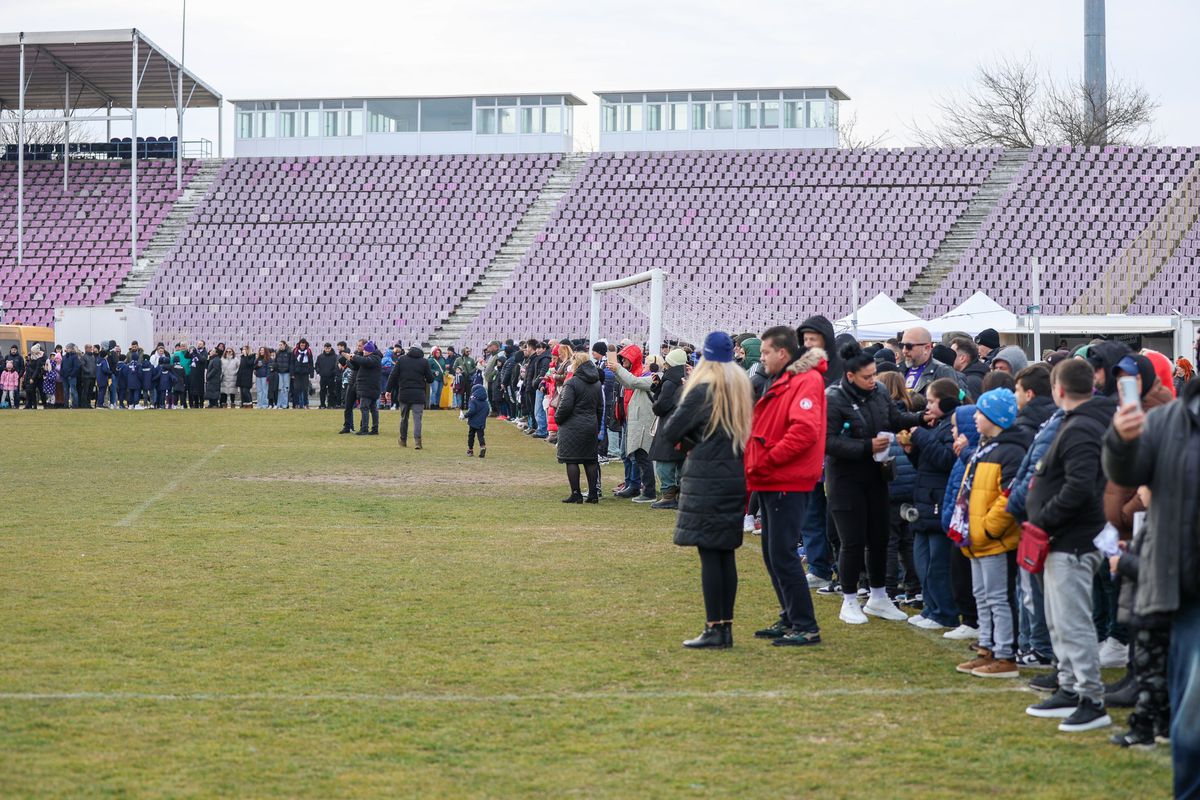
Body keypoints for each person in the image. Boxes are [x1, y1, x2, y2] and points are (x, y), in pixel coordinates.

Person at [1106, 364, 1200, 794]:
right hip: (1186, 595)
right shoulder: (1168, 420)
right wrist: (1121, 440)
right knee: (1190, 728)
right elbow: (1127, 473)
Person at [1024, 359, 1116, 731]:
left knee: (1073, 622)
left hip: (1072, 539)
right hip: (1064, 538)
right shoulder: (1078, 422)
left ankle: (1091, 699)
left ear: (1059, 389)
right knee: (1060, 620)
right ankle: (1069, 687)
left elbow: (1080, 487)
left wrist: (1043, 519)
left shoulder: (1081, 427)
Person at [655, 332, 753, 649]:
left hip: (707, 477)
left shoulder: (702, 389)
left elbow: (671, 429)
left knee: (710, 554)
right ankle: (725, 627)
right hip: (733, 474)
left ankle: (714, 627)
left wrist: (693, 442)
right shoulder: (740, 388)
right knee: (725, 554)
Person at [826, 342, 927, 625]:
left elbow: (895, 419)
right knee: (852, 541)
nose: (873, 380)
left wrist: (921, 418)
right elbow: (827, 442)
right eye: (867, 377)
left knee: (880, 538)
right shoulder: (833, 398)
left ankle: (879, 596)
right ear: (850, 376)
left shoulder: (880, 391)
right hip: (845, 480)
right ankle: (849, 599)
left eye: (874, 375)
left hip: (877, 476)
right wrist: (865, 446)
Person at [746, 326, 827, 647]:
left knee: (782, 554)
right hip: (774, 477)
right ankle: (790, 616)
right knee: (773, 554)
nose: (762, 358)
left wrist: (767, 460)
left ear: (783, 352)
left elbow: (804, 431)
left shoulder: (806, 380)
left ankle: (805, 625)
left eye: (766, 352)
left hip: (786, 478)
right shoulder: (787, 378)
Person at [947, 388, 1024, 679]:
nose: (976, 417)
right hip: (976, 538)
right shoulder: (985, 447)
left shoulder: (1011, 451)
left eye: (981, 412)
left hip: (993, 539)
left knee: (998, 597)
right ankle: (987, 647)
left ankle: (1005, 654)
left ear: (996, 417)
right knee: (982, 595)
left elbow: (1009, 495)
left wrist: (989, 528)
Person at [1108, 485, 1171, 748]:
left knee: (1151, 674)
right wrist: (1130, 547)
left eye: (1145, 487)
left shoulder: (1167, 519)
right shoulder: (1160, 517)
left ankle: (1144, 728)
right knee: (1156, 673)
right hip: (1150, 605)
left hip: (1154, 607)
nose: (1140, 492)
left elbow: (1158, 566)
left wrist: (1123, 562)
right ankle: (1164, 725)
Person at [904, 377, 962, 630]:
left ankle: (944, 613)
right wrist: (912, 450)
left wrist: (922, 437)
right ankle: (930, 608)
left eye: (931, 401)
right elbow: (925, 464)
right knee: (923, 561)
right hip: (925, 501)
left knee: (937, 564)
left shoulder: (952, 426)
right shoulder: (936, 425)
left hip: (938, 502)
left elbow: (947, 460)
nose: (926, 406)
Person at [878, 371, 922, 603]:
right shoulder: (911, 416)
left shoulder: (883, 418)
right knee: (908, 540)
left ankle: (888, 589)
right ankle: (915, 587)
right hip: (911, 487)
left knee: (890, 541)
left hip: (891, 487)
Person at [609, 345, 657, 503]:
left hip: (641, 421)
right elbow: (629, 383)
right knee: (633, 455)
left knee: (641, 456)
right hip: (632, 419)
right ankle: (634, 485)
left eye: (648, 363)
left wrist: (618, 369)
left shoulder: (651, 378)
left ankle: (645, 489)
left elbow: (632, 382)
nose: (645, 366)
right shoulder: (646, 376)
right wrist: (617, 371)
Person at [555, 352, 605, 503]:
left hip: (572, 426)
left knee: (572, 460)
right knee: (590, 460)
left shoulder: (572, 383)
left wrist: (558, 419)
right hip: (590, 424)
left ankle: (576, 493)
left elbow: (565, 406)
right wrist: (596, 424)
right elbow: (600, 407)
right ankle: (593, 494)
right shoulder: (596, 383)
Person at [648, 348, 689, 509]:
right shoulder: (686, 378)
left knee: (664, 462)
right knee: (681, 461)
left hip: (669, 425)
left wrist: (656, 403)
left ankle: (668, 495)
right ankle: (681, 495)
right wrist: (658, 386)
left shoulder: (670, 381)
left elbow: (662, 405)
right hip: (685, 425)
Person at [385, 345, 434, 449]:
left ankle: (403, 440)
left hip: (404, 393)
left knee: (404, 418)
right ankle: (417, 442)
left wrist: (388, 390)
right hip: (418, 394)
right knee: (417, 419)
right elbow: (430, 379)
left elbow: (393, 375)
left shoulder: (401, 359)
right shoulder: (424, 362)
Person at [899, 326, 958, 396]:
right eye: (901, 345)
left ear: (926, 348)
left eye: (909, 346)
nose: (904, 351)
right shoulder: (899, 369)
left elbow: (949, 400)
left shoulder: (942, 371)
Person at [350, 341, 382, 435]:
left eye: (365, 350)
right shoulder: (374, 358)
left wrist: (355, 357)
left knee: (364, 408)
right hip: (371, 388)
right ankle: (374, 429)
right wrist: (351, 359)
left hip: (368, 389)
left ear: (369, 351)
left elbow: (365, 361)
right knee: (373, 409)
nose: (363, 352)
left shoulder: (373, 358)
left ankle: (364, 429)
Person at [338, 340, 364, 434]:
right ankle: (347, 427)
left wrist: (350, 360)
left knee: (363, 407)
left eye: (360, 346)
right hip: (352, 382)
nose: (358, 347)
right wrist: (347, 358)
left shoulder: (366, 357)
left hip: (361, 383)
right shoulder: (356, 354)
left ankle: (363, 427)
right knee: (348, 406)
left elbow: (356, 366)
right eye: (357, 345)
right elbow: (348, 364)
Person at [463, 370, 490, 457]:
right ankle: (482, 446)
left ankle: (470, 450)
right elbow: (487, 411)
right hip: (481, 422)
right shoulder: (485, 402)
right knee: (480, 435)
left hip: (473, 422)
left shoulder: (473, 400)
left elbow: (472, 410)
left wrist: (465, 415)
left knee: (471, 436)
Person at [273, 341, 292, 409]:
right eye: (279, 345)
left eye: (281, 345)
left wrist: (290, 372)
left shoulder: (289, 353)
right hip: (279, 373)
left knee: (285, 389)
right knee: (280, 388)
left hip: (286, 373)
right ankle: (279, 404)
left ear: (285, 345)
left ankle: (285, 404)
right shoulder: (278, 353)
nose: (280, 346)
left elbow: (291, 363)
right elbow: (275, 362)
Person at [60, 343, 80, 408]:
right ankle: (65, 405)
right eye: (66, 347)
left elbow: (76, 367)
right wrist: (62, 374)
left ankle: (75, 405)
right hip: (64, 377)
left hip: (72, 377)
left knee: (73, 391)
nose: (67, 349)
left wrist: (71, 375)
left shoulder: (75, 357)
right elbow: (62, 366)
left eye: (68, 348)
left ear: (72, 349)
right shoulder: (64, 356)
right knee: (65, 391)